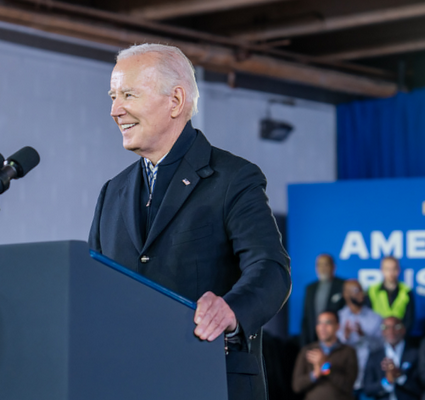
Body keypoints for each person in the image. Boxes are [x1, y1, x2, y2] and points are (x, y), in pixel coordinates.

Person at [88, 43, 291, 400]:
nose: (115, 110)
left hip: (210, 381)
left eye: (129, 95)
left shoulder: (234, 178)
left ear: (176, 101)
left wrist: (230, 309)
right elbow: (93, 290)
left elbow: (270, 269)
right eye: (113, 96)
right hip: (127, 385)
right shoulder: (112, 192)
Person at [292, 311, 358, 400]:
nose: (322, 327)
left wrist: (325, 366)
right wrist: (315, 374)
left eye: (328, 323)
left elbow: (348, 386)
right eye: (319, 323)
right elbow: (297, 386)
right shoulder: (307, 351)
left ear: (337, 326)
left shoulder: (348, 351)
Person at [337, 279, 383, 397]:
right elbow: (332, 349)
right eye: (357, 291)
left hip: (368, 378)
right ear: (346, 294)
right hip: (343, 379)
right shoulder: (338, 318)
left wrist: (364, 336)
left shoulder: (375, 317)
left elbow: (381, 347)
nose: (361, 294)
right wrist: (345, 336)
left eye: (362, 290)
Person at [363, 317, 422, 400]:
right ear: (382, 332)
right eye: (386, 327)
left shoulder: (415, 354)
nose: (391, 331)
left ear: (403, 330)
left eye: (396, 327)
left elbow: (420, 387)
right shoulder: (375, 356)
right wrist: (387, 381)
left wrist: (400, 375)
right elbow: (368, 389)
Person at [300, 254, 345, 346]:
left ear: (333, 267)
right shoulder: (310, 288)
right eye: (319, 265)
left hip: (336, 340)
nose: (322, 268)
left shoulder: (343, 285)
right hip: (313, 338)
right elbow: (307, 317)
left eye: (326, 264)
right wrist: (304, 343)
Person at [365, 257, 415, 333]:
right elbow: (368, 316)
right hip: (377, 334)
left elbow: (409, 319)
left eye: (394, 269)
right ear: (382, 270)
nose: (391, 272)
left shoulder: (406, 291)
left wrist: (400, 333)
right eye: (387, 269)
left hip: (399, 335)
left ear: (398, 270)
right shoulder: (372, 290)